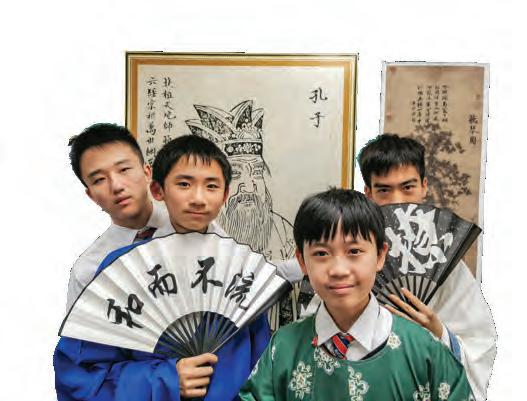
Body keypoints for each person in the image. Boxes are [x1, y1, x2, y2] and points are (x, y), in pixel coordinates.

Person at [54, 135, 271, 401]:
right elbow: (80, 375)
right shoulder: (119, 269)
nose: (198, 198)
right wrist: (166, 379)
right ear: (158, 190)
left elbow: (262, 373)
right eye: (184, 184)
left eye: (211, 186)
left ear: (225, 194)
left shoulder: (241, 271)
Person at [240, 189, 474, 401]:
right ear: (302, 261)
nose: (339, 270)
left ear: (380, 255)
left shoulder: (424, 350)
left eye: (354, 251)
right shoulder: (283, 347)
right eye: (321, 253)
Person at [358, 133, 496, 401]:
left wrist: (438, 331)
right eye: (384, 190)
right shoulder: (354, 253)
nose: (397, 200)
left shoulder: (445, 257)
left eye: (407, 187)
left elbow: (479, 342)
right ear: (368, 194)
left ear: (424, 187)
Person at [66, 123, 169, 310]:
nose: (116, 186)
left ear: (147, 172)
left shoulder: (198, 231)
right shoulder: (88, 271)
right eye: (99, 180)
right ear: (91, 195)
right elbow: (82, 328)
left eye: (124, 169)